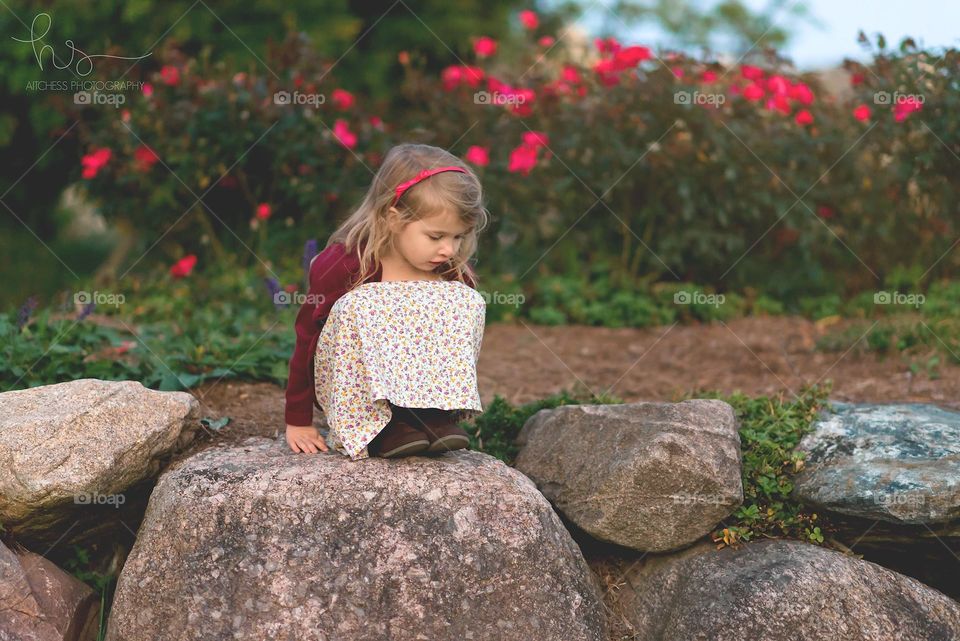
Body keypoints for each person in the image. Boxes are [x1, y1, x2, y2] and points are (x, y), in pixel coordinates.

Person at [284, 142, 489, 460]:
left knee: (464, 300)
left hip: (421, 389)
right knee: (364, 303)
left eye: (458, 237)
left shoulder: (448, 270)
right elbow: (308, 334)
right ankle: (380, 426)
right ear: (393, 219)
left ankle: (431, 414)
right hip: (353, 384)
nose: (449, 249)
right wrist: (298, 419)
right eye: (436, 237)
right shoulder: (348, 264)